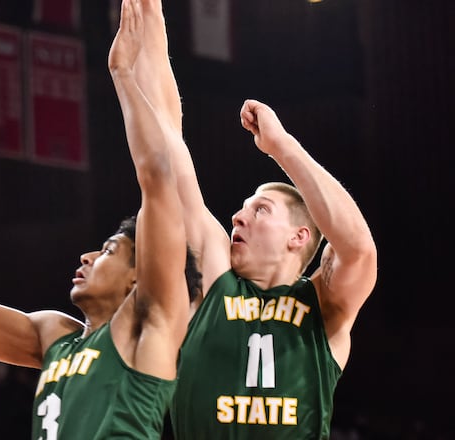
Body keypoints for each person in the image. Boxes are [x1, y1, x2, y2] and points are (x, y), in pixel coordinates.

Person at [0, 1, 199, 437]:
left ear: (137, 278)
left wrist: (124, 75)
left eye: (109, 250)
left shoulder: (149, 323)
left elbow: (161, 176)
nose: (89, 255)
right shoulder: (55, 335)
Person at [127, 1, 378, 437]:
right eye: (243, 208)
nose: (237, 216)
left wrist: (282, 147)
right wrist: (150, 17)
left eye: (259, 209)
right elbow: (169, 143)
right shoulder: (215, 277)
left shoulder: (325, 305)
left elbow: (358, 248)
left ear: (299, 236)